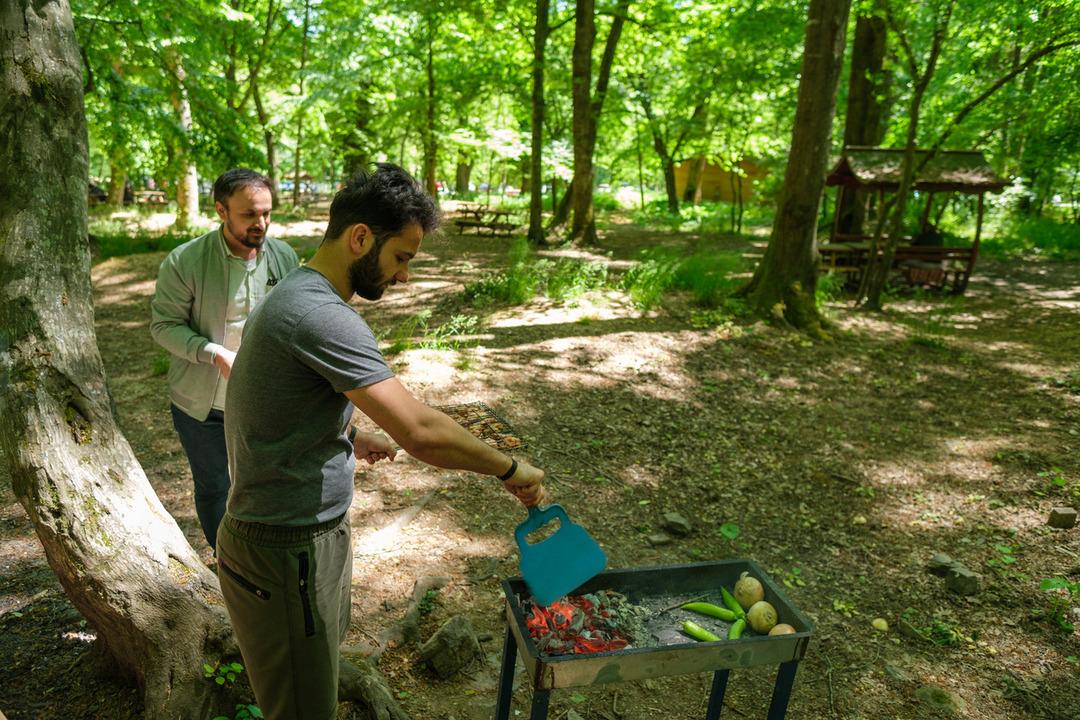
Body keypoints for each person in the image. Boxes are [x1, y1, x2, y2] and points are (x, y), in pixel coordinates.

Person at [218, 163, 546, 720]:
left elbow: (281, 400)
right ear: (361, 238)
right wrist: (511, 469)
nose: (404, 278)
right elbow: (419, 431)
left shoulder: (298, 292)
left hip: (298, 543)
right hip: (286, 552)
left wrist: (348, 431)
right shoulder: (319, 314)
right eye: (402, 258)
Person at [150, 168, 299, 550]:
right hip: (202, 404)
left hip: (263, 399)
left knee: (266, 483)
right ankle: (228, 562)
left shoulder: (284, 258)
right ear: (221, 209)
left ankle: (264, 558)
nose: (261, 223)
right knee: (216, 486)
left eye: (266, 213)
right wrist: (213, 353)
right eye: (249, 214)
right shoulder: (186, 261)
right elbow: (164, 326)